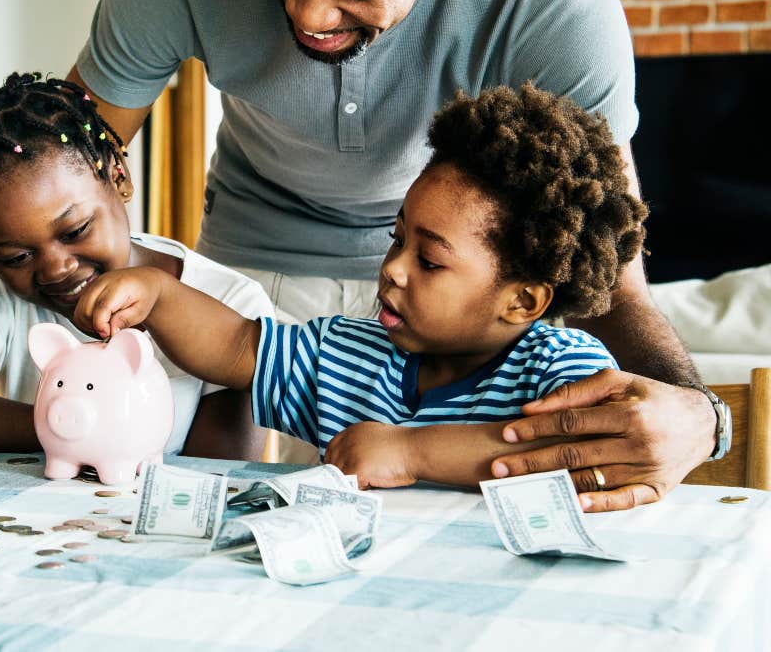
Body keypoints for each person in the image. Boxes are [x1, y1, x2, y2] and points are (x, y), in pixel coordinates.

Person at [0, 0, 724, 511]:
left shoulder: (553, 2)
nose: (311, 12)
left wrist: (701, 414)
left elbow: (614, 282)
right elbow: (37, 170)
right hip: (257, 266)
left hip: (464, 281)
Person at [74, 84, 647, 495]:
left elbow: (559, 456)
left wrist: (408, 452)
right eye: (398, 241)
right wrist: (159, 295)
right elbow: (237, 348)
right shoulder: (348, 355)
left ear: (522, 301)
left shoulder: (562, 371)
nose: (394, 269)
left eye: (430, 261)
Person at [0, 73, 270, 461]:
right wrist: (59, 426)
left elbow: (219, 472)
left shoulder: (231, 302)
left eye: (75, 230)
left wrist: (78, 427)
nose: (56, 269)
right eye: (17, 257)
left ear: (119, 176)